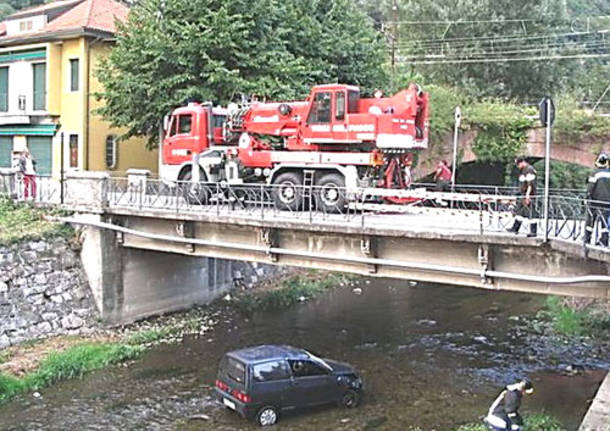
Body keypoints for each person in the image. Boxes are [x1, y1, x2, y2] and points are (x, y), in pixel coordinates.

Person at [584, 152, 610, 247]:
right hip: (607, 202)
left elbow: (590, 188)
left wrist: (587, 197)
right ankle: (604, 240)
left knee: (590, 220)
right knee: (605, 221)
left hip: (595, 201)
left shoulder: (594, 173)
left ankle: (587, 239)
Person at [507, 157, 537, 237]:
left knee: (531, 213)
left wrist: (528, 196)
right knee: (519, 211)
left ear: (522, 162)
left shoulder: (529, 170)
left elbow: (530, 184)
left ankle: (533, 232)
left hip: (529, 195)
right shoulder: (523, 170)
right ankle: (515, 228)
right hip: (523, 195)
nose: (518, 166)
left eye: (518, 164)